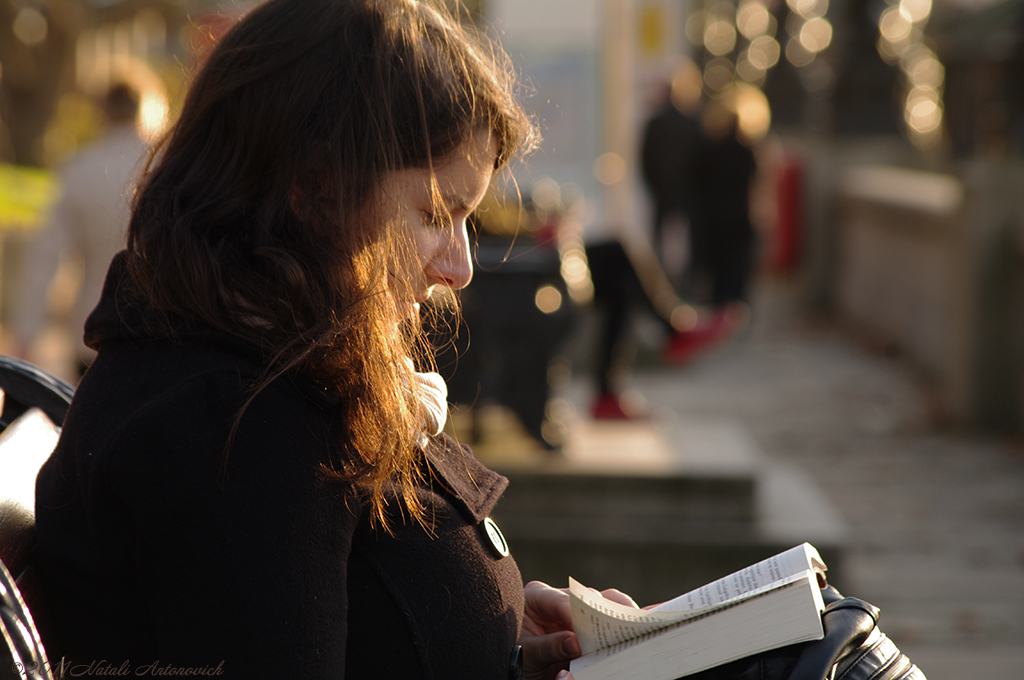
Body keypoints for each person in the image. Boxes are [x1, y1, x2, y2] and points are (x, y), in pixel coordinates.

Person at [30, 1, 635, 678]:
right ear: (318, 188)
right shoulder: (228, 423)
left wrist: (494, 647)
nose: (460, 268)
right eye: (437, 214)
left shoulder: (271, 366)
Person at [10, 82, 148, 380]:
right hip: (156, 338)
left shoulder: (79, 168)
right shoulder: (163, 165)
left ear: (102, 112)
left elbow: (45, 258)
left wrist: (25, 335)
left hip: (93, 332)